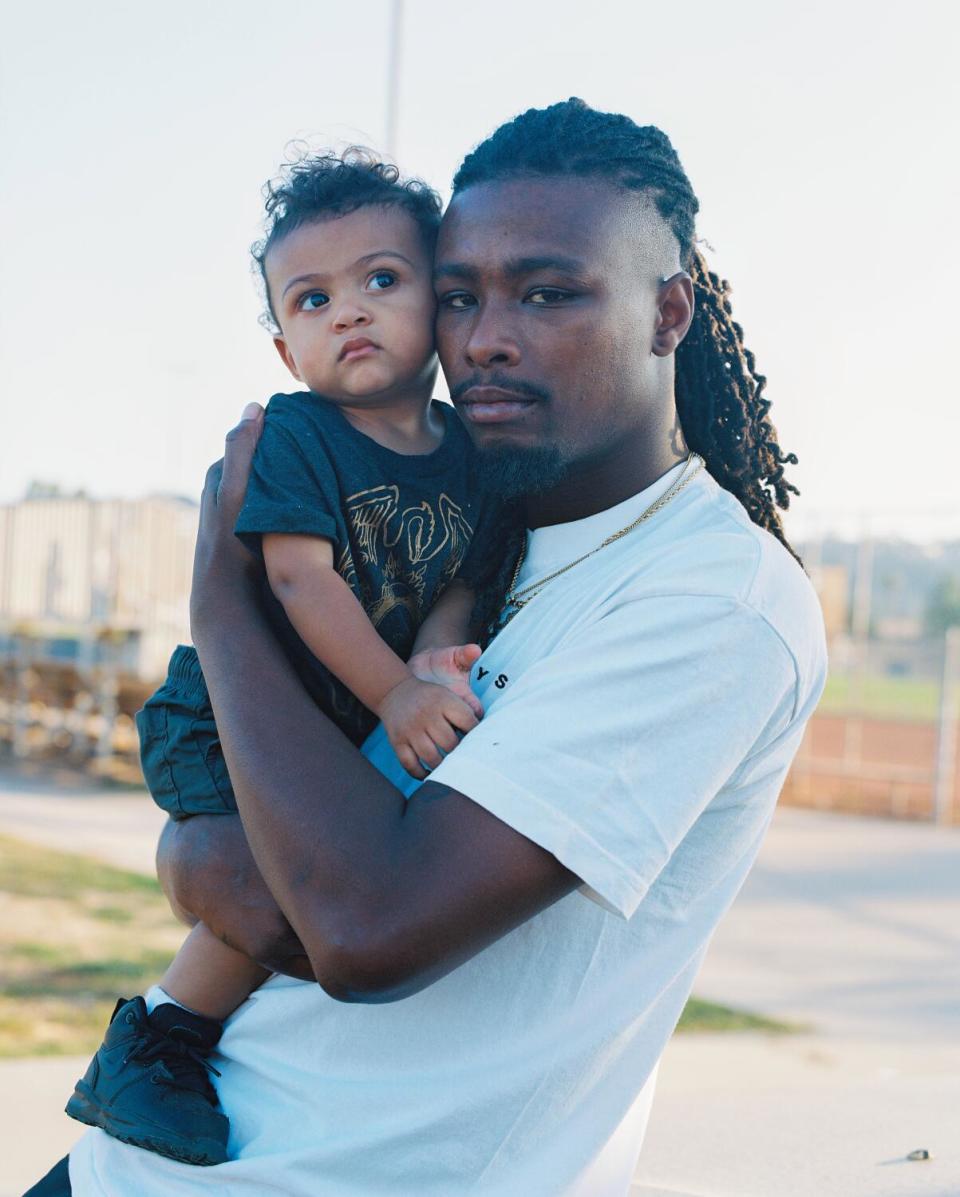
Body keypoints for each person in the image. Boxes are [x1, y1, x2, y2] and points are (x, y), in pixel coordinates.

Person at [35, 98, 826, 1197]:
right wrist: (201, 858)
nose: (484, 338)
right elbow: (253, 853)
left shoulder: (713, 599)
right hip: (148, 1166)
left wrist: (221, 604)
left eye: (550, 293)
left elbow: (364, 926)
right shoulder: (483, 519)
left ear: (669, 311)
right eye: (458, 295)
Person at [63, 151, 497, 1166]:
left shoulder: (468, 453)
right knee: (268, 886)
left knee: (319, 880)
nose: (349, 311)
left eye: (382, 280)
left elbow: (460, 585)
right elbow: (301, 581)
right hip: (227, 715)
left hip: (341, 721)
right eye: (314, 299)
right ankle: (157, 1037)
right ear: (282, 342)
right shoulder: (300, 434)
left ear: (441, 297)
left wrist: (434, 668)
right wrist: (393, 693)